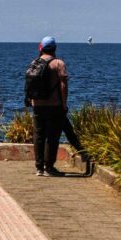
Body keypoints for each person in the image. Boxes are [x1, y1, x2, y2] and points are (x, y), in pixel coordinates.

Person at [28, 36, 68, 177]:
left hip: (38, 104)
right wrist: (64, 103)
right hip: (55, 105)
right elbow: (63, 85)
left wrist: (32, 100)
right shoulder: (58, 64)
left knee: (39, 135)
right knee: (52, 136)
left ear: (41, 47)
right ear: (55, 48)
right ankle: (49, 167)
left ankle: (39, 168)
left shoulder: (34, 63)